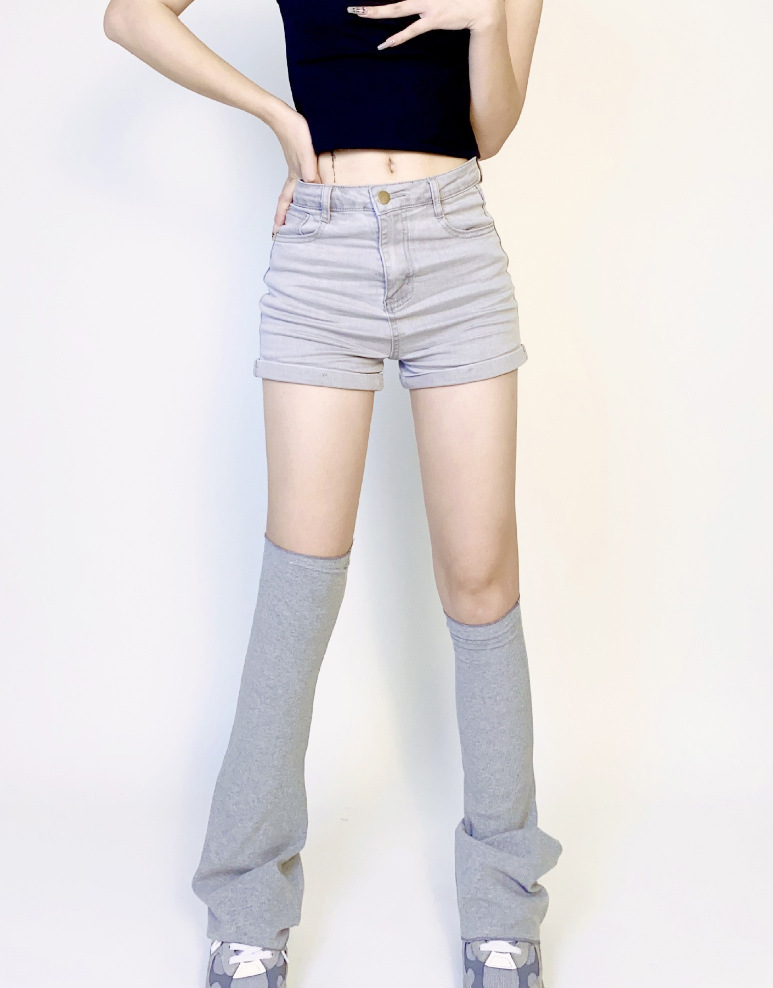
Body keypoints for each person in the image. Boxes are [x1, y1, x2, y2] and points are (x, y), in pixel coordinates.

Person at [103, 0, 563, 984]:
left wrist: (484, 20)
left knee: (481, 581)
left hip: (455, 245)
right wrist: (275, 113)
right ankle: (247, 907)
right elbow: (131, 16)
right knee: (300, 583)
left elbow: (491, 128)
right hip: (321, 249)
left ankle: (501, 908)